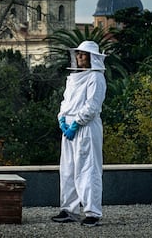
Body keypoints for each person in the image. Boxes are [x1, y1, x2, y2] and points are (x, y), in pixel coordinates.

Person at [51, 41, 107, 227]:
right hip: (68, 129)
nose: (79, 57)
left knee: (88, 169)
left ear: (92, 58)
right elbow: (65, 102)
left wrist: (76, 123)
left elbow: (92, 106)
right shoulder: (73, 78)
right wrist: (62, 119)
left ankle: (92, 212)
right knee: (68, 169)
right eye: (78, 54)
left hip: (86, 128)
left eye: (83, 54)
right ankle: (69, 210)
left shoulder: (96, 78)